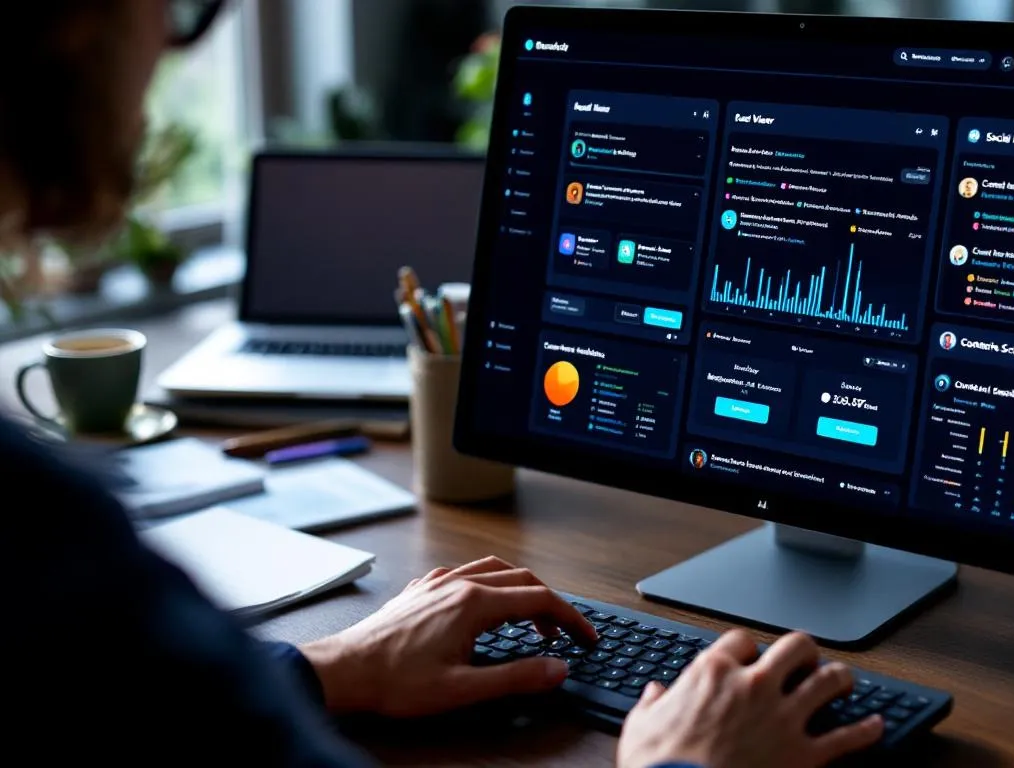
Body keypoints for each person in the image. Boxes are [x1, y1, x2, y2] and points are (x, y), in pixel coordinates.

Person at [0, 3, 883, 766]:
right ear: (73, 23)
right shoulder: (45, 541)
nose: (171, 37)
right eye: (184, 7)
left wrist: (328, 666)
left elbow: (139, 714)